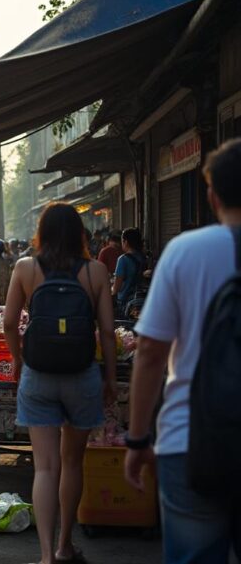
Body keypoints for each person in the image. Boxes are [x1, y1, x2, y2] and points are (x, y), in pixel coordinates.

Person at [124, 139, 241, 563]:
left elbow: (151, 353)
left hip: (190, 442)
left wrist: (137, 439)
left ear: (211, 195)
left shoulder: (185, 252)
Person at [3, 203, 116, 564]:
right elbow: (109, 332)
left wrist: (19, 360)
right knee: (72, 463)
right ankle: (65, 545)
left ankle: (44, 557)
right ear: (81, 234)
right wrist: (110, 377)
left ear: (42, 232)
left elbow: (8, 322)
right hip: (82, 375)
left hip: (38, 374)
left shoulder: (25, 268)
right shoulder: (96, 271)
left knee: (46, 467)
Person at [112, 228, 146, 315]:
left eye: (122, 241)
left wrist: (111, 290)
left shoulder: (123, 259)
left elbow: (117, 288)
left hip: (125, 302)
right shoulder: (144, 258)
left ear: (125, 242)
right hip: (143, 300)